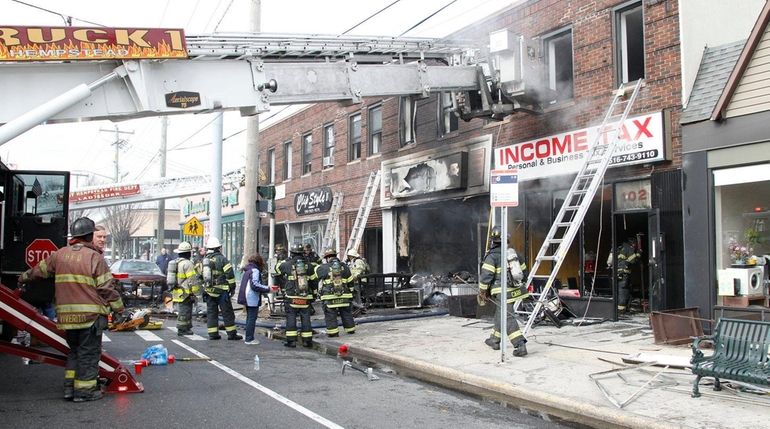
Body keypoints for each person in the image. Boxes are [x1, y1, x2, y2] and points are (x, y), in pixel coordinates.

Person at [18, 217, 124, 402]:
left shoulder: (59, 255)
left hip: (66, 318)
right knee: (88, 354)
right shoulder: (94, 257)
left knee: (73, 352)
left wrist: (22, 278)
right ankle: (85, 392)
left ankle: (69, 389)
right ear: (90, 235)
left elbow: (38, 271)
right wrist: (119, 308)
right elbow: (106, 288)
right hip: (90, 317)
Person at [478, 226, 528, 357]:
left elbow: (486, 276)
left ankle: (520, 345)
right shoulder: (515, 254)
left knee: (508, 317)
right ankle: (494, 339)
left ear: (493, 241)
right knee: (501, 312)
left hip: (502, 291)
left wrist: (482, 291)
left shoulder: (492, 256)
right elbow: (524, 272)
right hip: (516, 290)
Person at [274, 244, 318, 347]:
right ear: (303, 253)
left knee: (291, 317)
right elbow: (314, 281)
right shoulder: (309, 265)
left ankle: (291, 341)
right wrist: (314, 294)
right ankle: (307, 341)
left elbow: (277, 269)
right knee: (306, 317)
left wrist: (282, 259)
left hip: (291, 296)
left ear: (291, 253)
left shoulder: (287, 264)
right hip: (305, 296)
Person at [202, 237, 242, 340]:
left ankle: (213, 334)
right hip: (222, 292)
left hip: (209, 291)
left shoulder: (205, 260)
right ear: (218, 248)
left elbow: (200, 276)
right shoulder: (222, 259)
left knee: (211, 313)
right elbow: (230, 275)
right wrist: (232, 287)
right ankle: (231, 334)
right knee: (227, 313)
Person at [315, 248, 356, 337]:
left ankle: (333, 333)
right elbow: (350, 282)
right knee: (346, 313)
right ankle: (350, 330)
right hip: (344, 295)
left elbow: (315, 276)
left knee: (330, 314)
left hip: (329, 296)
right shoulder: (345, 266)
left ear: (327, 258)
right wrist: (351, 293)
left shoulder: (323, 267)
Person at [169, 241, 201, 336]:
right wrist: (196, 292)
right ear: (188, 253)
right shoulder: (187, 264)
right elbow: (192, 280)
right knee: (185, 311)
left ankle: (186, 327)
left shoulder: (176, 262)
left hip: (177, 291)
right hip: (185, 292)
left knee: (183, 310)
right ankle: (182, 329)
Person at [237, 254, 270, 345]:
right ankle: (249, 338)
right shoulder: (255, 270)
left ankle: (248, 337)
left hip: (246, 297)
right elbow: (255, 285)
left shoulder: (247, 270)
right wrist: (268, 288)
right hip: (251, 298)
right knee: (252, 318)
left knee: (249, 318)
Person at [607, 237, 640, 312]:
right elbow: (633, 261)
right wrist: (638, 254)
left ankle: (615, 310)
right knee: (623, 291)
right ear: (633, 243)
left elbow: (609, 262)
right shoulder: (628, 248)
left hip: (614, 274)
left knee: (617, 291)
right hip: (624, 274)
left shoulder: (616, 248)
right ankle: (621, 310)